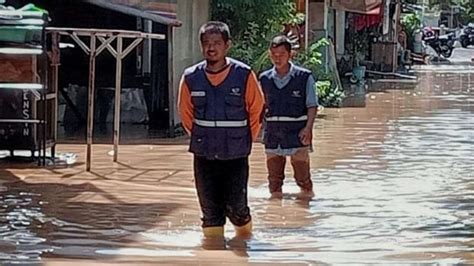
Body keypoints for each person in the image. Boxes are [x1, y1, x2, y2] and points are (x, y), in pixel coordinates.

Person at [177, 21, 265, 240]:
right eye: (206, 43)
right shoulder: (190, 77)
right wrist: (202, 139)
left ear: (228, 45)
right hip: (204, 155)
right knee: (210, 212)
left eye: (216, 43)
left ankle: (245, 243)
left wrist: (243, 141)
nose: (211, 48)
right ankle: (213, 254)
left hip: (236, 155)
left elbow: (256, 112)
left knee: (238, 208)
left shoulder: (244, 75)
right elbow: (186, 115)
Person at [259, 34, 318, 199]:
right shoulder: (264, 79)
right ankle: (276, 212)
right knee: (274, 181)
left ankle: (306, 206)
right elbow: (258, 107)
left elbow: (312, 105)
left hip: (298, 133)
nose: (277, 59)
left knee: (303, 179)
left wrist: (308, 128)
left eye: (281, 55)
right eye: (274, 55)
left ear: (290, 54)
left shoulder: (304, 77)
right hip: (273, 133)